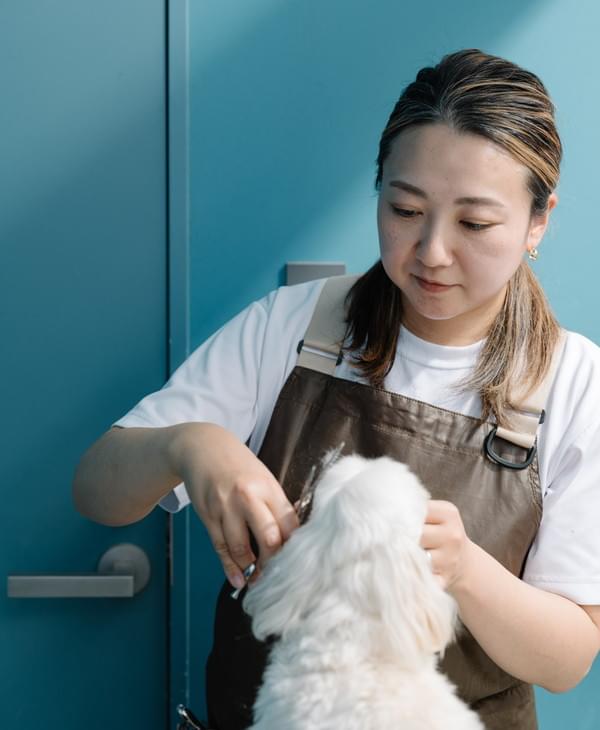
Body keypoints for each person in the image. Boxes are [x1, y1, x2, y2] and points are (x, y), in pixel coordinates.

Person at [73, 49, 600, 730]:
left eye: (474, 223)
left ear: (538, 221)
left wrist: (464, 568)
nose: (433, 250)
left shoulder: (574, 383)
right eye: (405, 208)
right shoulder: (297, 325)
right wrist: (188, 445)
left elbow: (567, 661)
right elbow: (96, 493)